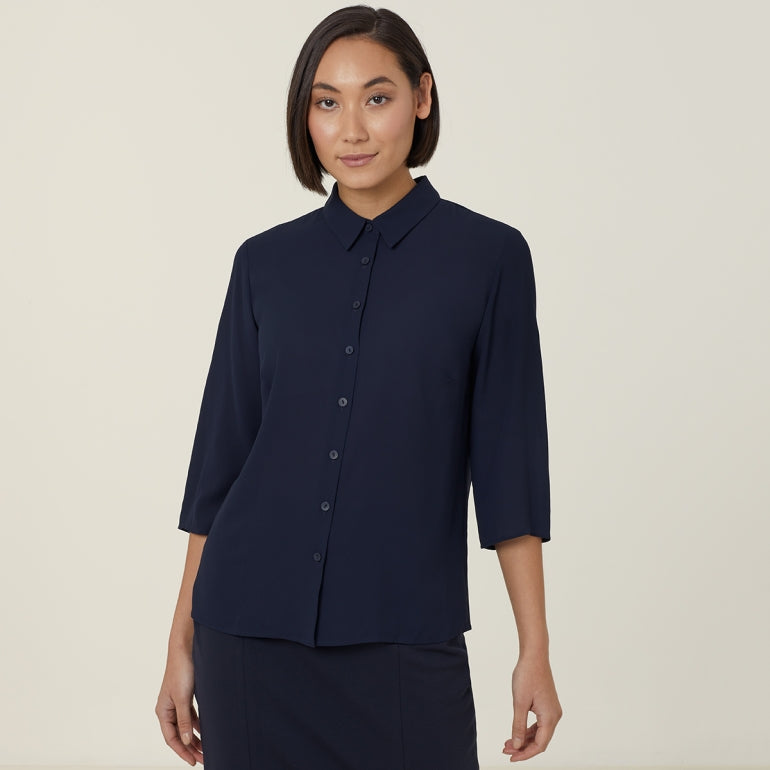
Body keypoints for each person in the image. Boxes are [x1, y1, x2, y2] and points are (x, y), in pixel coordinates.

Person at [155, 5, 562, 768]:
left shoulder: (490, 258)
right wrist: (180, 644)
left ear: (422, 97)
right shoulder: (263, 264)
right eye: (326, 102)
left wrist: (533, 648)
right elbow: (219, 468)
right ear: (304, 115)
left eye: (377, 98)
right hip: (247, 636)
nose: (351, 130)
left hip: (406, 637)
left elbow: (510, 471)